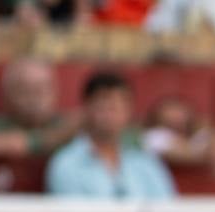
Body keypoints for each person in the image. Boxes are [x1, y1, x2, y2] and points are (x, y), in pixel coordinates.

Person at [45, 71, 177, 200]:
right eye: (103, 106)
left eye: (117, 107)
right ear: (87, 108)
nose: (110, 114)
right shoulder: (66, 163)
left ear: (129, 111)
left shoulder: (146, 160)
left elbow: (167, 206)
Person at [0, 57, 81, 158]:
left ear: (56, 91)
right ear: (7, 96)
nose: (34, 99)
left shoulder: (69, 124)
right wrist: (44, 140)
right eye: (25, 90)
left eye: (42, 89)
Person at [142, 95, 215, 177]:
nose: (176, 118)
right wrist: (212, 154)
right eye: (171, 119)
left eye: (179, 113)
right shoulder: (153, 137)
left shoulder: (201, 134)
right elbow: (184, 156)